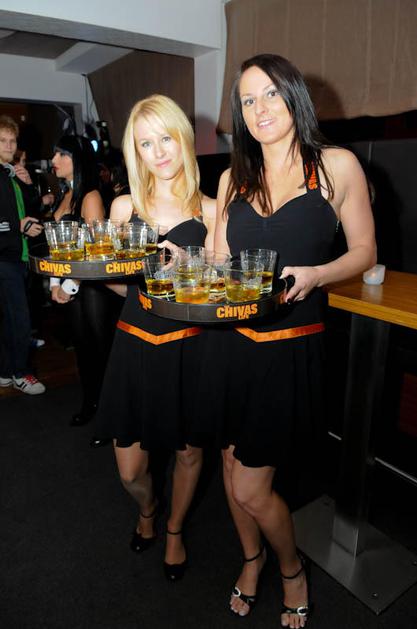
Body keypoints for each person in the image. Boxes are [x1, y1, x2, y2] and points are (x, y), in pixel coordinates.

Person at [213, 54, 376, 628]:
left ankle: (290, 569)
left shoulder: (336, 166)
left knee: (252, 485)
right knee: (229, 464)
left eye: (270, 94)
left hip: (289, 346)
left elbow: (364, 251)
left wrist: (317, 274)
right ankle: (251, 558)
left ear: (294, 96)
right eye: (247, 100)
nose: (260, 108)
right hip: (230, 343)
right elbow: (218, 260)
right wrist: (185, 262)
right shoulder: (233, 178)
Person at [95, 94, 216, 580]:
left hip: (190, 347)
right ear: (135, 151)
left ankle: (174, 528)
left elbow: (224, 290)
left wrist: (192, 269)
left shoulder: (211, 210)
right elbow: (112, 277)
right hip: (134, 342)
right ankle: (148, 507)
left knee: (189, 450)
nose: (159, 151)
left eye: (166, 138)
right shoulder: (125, 206)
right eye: (146, 143)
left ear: (183, 139)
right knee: (130, 469)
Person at [50, 135, 122, 433]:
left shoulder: (90, 196)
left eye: (61, 155)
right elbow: (58, 247)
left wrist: (67, 285)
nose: (53, 161)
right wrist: (54, 283)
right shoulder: (67, 193)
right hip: (70, 284)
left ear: (77, 159)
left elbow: (96, 250)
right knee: (83, 351)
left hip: (92, 289)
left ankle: (112, 417)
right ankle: (92, 404)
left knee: (101, 352)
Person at [0, 115, 45, 395]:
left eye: (12, 140)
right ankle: (21, 373)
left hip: (19, 256)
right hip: (5, 258)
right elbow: (9, 222)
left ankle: (6, 371)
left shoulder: (10, 173)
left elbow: (32, 210)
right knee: (20, 319)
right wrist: (16, 227)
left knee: (10, 318)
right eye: (2, 140)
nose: (9, 145)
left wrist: (27, 184)